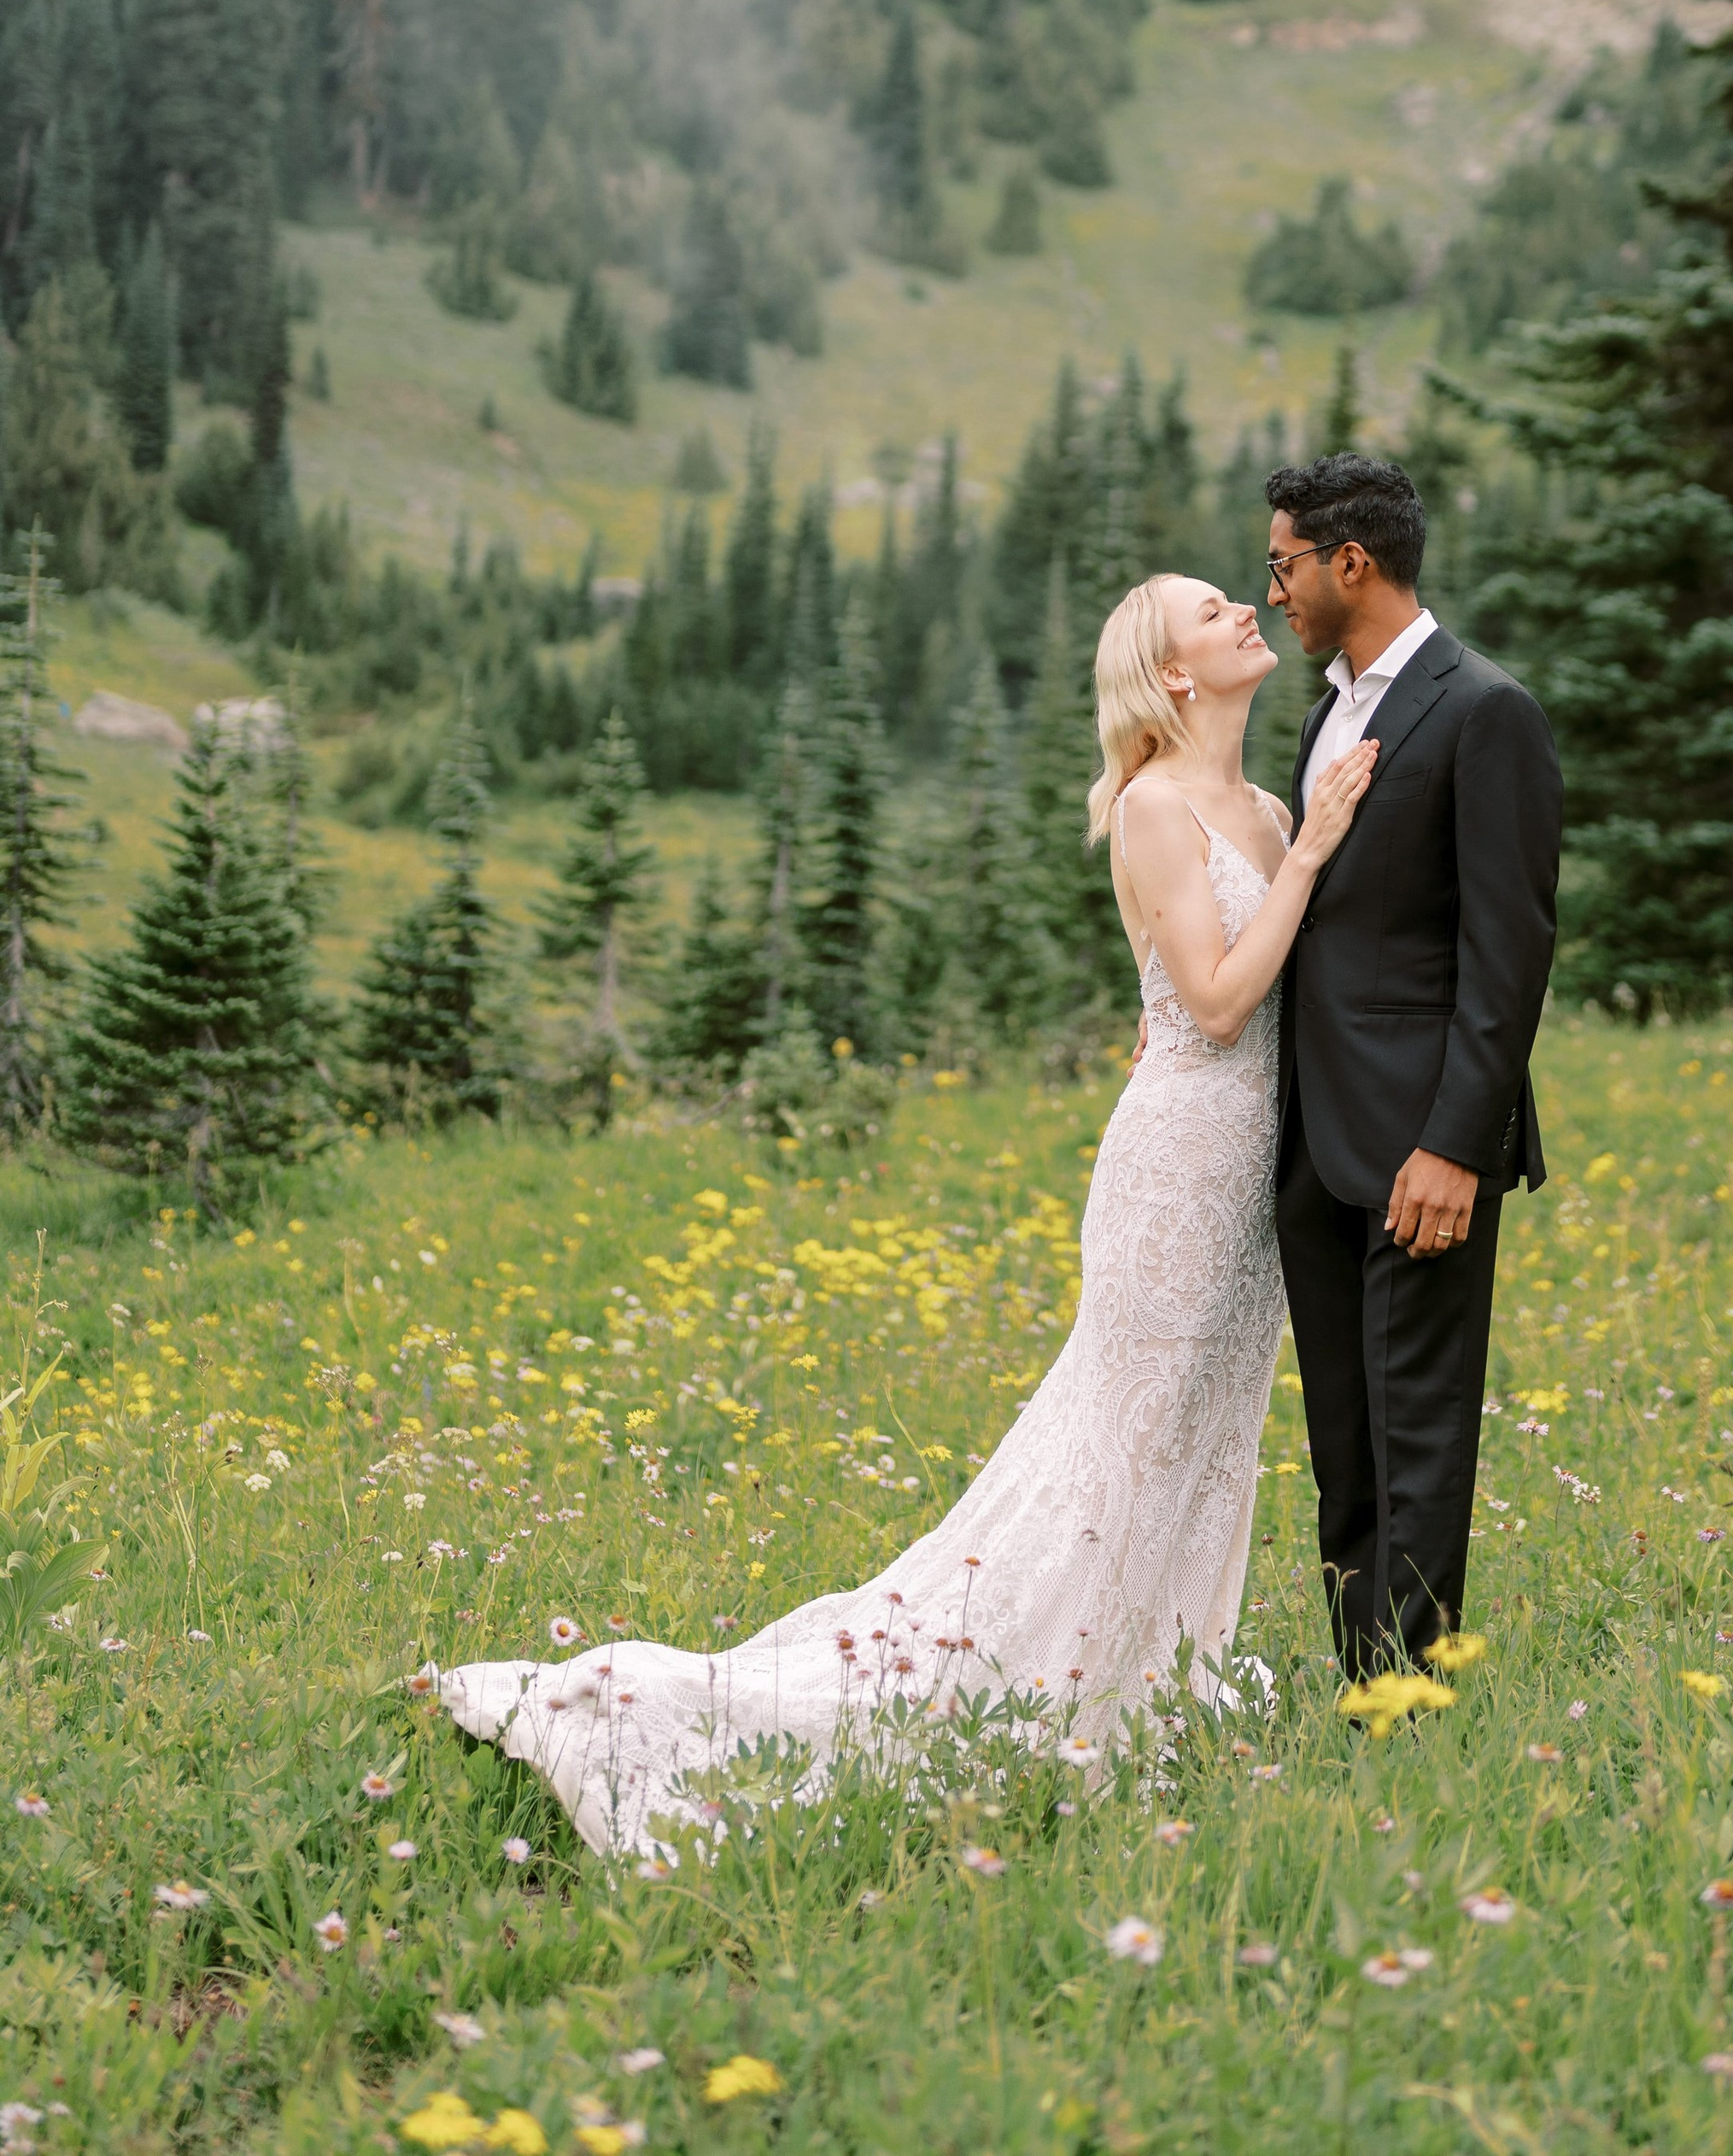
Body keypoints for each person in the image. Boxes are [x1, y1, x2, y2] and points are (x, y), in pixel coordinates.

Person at [431, 571, 1376, 1854]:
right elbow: (1214, 1006)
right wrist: (1317, 852)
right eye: (1214, 608)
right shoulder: (1154, 810)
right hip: (1174, 1171)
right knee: (1119, 1441)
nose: (1242, 612)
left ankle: (1139, 1681)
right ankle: (1028, 1685)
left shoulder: (1263, 805)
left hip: (1256, 1184)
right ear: (1169, 671)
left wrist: (1308, 845)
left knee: (1202, 1446)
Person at [1264, 449, 1560, 1679]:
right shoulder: (1333, 705)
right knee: (1346, 1441)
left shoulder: (1484, 710)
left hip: (1422, 1149)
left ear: (1352, 561)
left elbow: (1510, 955)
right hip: (1316, 1146)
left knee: (1419, 1437)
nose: (1272, 590)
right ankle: (1360, 1683)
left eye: (1283, 565)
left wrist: (1456, 1147)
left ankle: (1411, 1697)